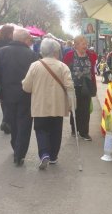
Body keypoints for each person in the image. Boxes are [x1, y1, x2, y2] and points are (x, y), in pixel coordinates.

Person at [22, 38, 75, 169]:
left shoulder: (35, 65)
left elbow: (26, 87)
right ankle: (53, 156)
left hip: (40, 106)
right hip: (58, 106)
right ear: (57, 52)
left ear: (42, 51)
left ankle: (44, 153)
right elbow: (70, 87)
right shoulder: (63, 66)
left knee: (41, 130)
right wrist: (73, 105)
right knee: (56, 130)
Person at [0, 29, 38, 166]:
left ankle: (15, 146)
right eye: (29, 39)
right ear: (23, 40)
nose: (30, 41)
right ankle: (20, 153)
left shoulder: (2, 51)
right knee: (25, 124)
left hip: (7, 95)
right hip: (26, 95)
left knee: (13, 122)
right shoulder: (32, 54)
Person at [63, 35, 97, 141]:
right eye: (83, 44)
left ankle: (84, 132)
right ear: (76, 45)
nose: (85, 46)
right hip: (73, 87)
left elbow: (93, 70)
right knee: (75, 109)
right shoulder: (69, 55)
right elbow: (64, 70)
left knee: (85, 110)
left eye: (86, 44)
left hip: (86, 86)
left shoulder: (91, 56)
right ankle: (75, 129)